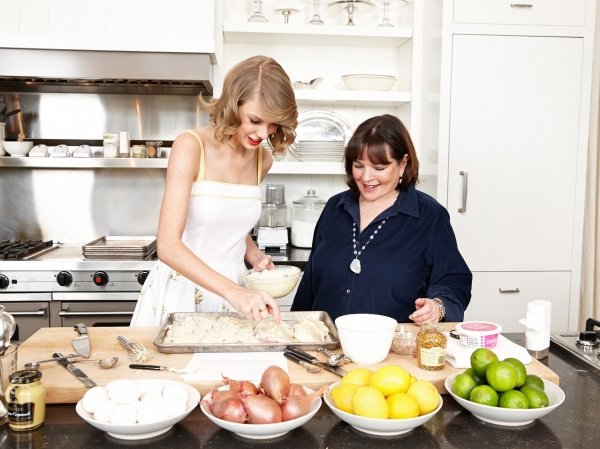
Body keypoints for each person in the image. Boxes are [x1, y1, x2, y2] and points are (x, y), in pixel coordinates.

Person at [131, 55, 298, 327]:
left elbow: (228, 220)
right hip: (183, 288)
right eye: (255, 120)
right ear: (234, 104)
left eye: (272, 125)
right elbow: (168, 246)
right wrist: (235, 292)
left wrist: (253, 254)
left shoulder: (261, 160)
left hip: (235, 291)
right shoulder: (191, 146)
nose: (263, 133)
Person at [291, 114, 471, 324]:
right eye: (358, 165)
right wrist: (295, 332)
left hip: (394, 350)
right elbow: (311, 281)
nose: (366, 178)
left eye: (379, 168)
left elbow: (454, 279)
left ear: (403, 163)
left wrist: (438, 307)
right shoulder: (334, 208)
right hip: (327, 346)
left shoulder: (430, 216)